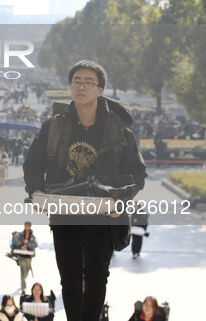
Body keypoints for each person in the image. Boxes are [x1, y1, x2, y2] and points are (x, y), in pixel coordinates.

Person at [23, 60, 146, 321]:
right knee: (69, 278)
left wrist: (121, 200)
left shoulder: (118, 131)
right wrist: (36, 191)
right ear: (70, 87)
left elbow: (138, 172)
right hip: (65, 210)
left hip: (103, 214)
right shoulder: (53, 127)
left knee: (97, 275)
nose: (81, 86)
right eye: (76, 81)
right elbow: (33, 163)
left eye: (88, 82)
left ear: (101, 89)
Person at [11, 221, 38, 292]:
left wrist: (27, 246)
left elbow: (35, 243)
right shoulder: (19, 235)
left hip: (28, 256)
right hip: (21, 256)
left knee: (27, 271)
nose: (27, 227)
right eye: (26, 225)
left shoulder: (32, 236)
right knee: (23, 271)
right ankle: (23, 287)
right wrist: (21, 246)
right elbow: (15, 241)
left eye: (28, 226)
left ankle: (23, 281)